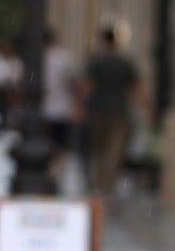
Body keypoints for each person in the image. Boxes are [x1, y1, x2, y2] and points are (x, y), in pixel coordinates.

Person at [81, 25, 140, 196]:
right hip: (118, 112)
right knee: (114, 152)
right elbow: (136, 88)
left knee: (97, 151)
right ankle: (107, 185)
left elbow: (86, 87)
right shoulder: (124, 62)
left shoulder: (95, 62)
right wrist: (145, 109)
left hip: (98, 112)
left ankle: (98, 184)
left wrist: (80, 107)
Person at [41, 28, 79, 182]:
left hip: (46, 109)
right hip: (61, 109)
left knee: (49, 142)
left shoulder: (39, 57)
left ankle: (53, 170)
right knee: (60, 143)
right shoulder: (64, 57)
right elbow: (73, 83)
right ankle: (57, 171)